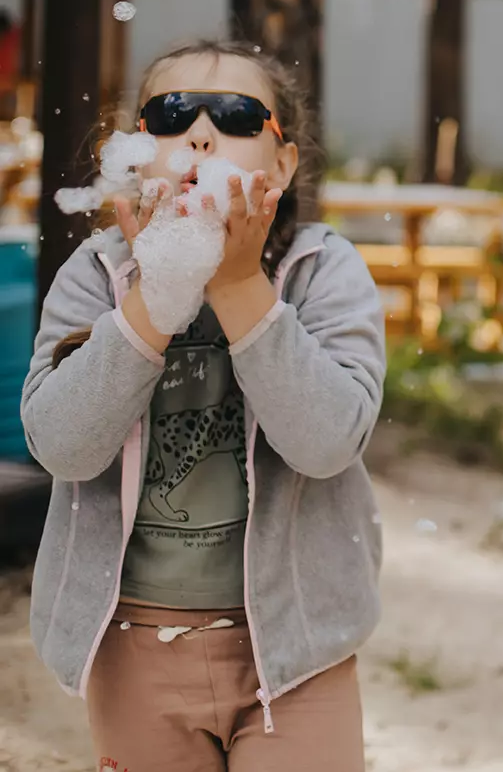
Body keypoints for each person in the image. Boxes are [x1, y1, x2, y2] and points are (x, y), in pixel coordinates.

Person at [21, 40, 385, 771]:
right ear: (131, 151)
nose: (200, 131)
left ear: (282, 163)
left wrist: (238, 283)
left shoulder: (323, 271)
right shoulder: (96, 274)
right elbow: (60, 445)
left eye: (237, 115)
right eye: (173, 112)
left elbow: (327, 441)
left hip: (295, 647)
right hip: (131, 643)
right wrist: (157, 297)